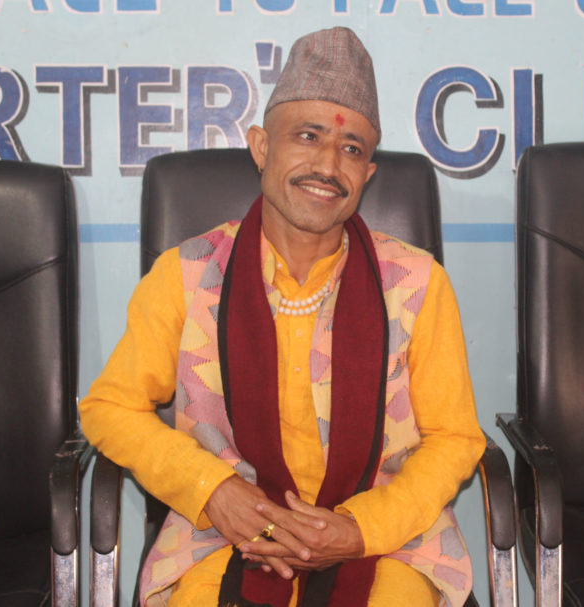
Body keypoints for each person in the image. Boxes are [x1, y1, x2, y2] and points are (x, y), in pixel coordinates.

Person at [80, 26, 485, 607]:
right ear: (262, 147)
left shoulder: (416, 283)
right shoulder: (188, 274)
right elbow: (110, 408)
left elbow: (455, 439)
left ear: (367, 176)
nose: (328, 165)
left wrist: (359, 529)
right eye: (308, 136)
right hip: (222, 532)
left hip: (386, 537)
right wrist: (213, 490)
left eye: (351, 150)